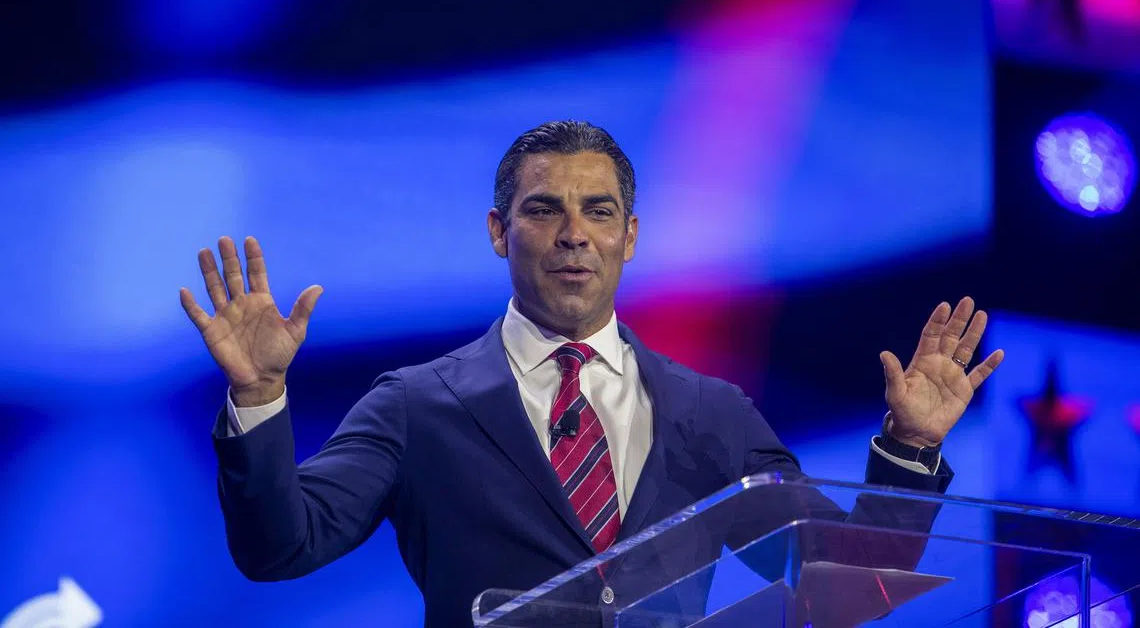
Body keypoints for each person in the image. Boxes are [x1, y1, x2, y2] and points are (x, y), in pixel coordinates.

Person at [181, 121, 1004, 627]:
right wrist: (259, 397)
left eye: (598, 211)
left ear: (631, 236)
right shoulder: (415, 405)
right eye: (545, 210)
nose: (574, 234)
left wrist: (906, 446)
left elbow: (843, 589)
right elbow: (279, 549)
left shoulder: (710, 412)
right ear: (500, 233)